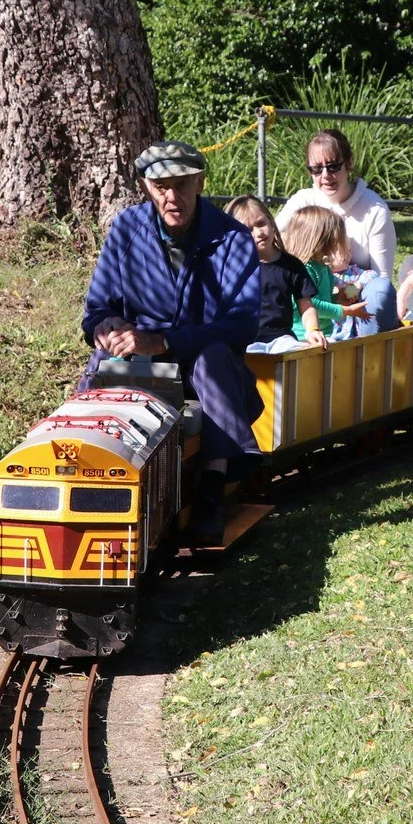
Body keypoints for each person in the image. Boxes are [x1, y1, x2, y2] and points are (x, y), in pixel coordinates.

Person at [81, 141, 263, 544]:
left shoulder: (232, 238)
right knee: (101, 360)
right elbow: (96, 308)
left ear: (199, 182)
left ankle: (212, 490)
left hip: (209, 368)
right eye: (161, 186)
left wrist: (162, 340)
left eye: (181, 185)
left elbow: (241, 325)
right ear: (146, 186)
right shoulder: (127, 228)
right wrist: (104, 325)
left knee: (212, 360)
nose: (171, 196)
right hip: (141, 363)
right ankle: (87, 464)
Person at [275, 128, 399, 334]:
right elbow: (273, 240)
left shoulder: (373, 208)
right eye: (316, 169)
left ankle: (366, 350)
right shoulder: (302, 201)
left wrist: (352, 292)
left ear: (349, 163)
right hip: (310, 292)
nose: (325, 176)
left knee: (381, 291)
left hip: (357, 291)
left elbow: (382, 275)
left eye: (333, 166)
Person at [225, 196, 326, 354]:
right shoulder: (232, 268)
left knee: (299, 352)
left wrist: (313, 330)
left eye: (261, 223)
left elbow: (306, 306)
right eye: (249, 229)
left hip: (281, 338)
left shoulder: (292, 265)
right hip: (245, 339)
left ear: (271, 222)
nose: (258, 232)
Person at [279, 204, 365, 342]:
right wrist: (342, 310)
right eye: (334, 239)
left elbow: (324, 298)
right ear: (322, 239)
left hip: (323, 334)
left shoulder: (323, 267)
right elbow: (309, 304)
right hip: (302, 337)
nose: (336, 243)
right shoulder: (304, 269)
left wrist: (338, 297)